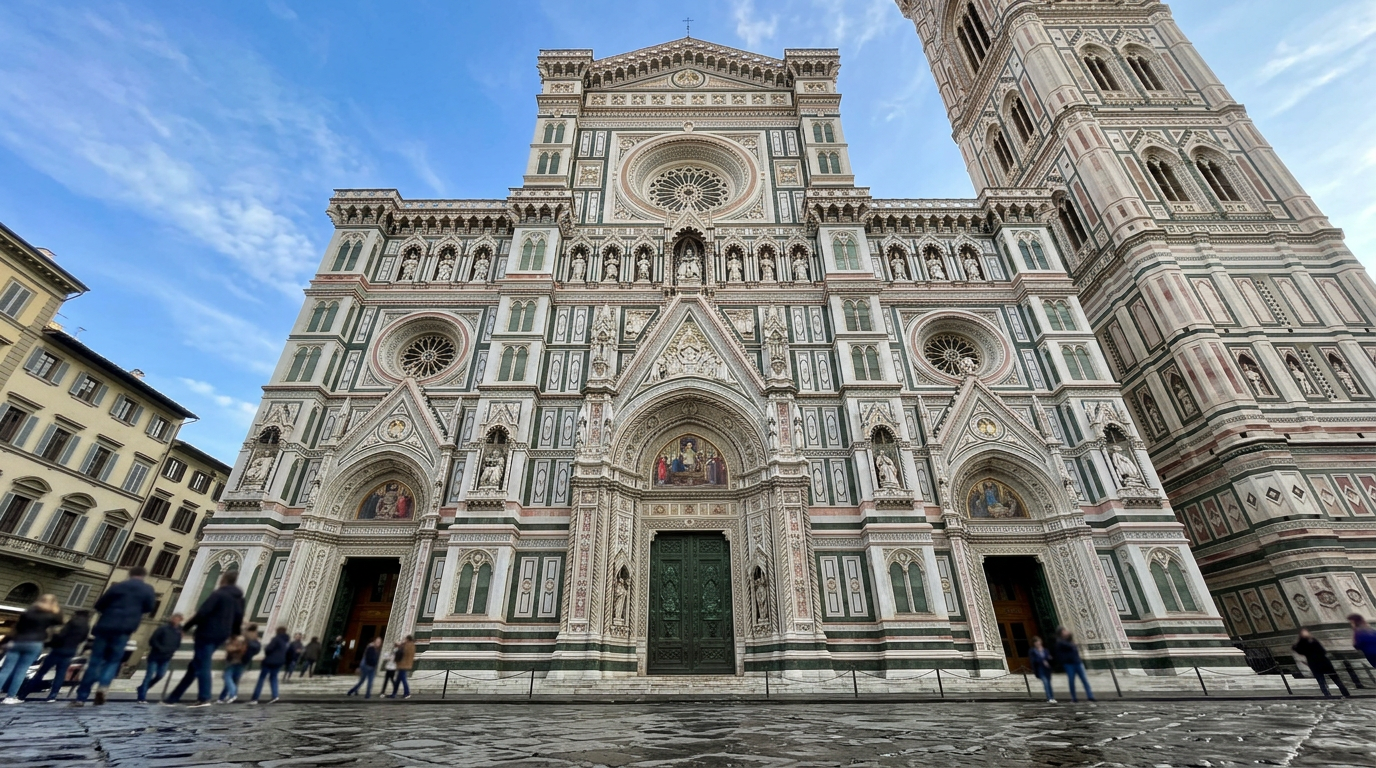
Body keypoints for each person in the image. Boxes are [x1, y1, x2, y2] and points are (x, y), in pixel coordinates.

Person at [73, 567, 157, 706]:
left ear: (130, 574)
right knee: (113, 661)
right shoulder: (147, 589)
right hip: (124, 629)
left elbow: (100, 605)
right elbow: (149, 607)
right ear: (143, 576)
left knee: (95, 660)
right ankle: (103, 687)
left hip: (106, 625)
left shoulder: (118, 586)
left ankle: (81, 697)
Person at [164, 571, 244, 707]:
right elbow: (238, 618)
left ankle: (204, 697)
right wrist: (234, 635)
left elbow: (202, 613)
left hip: (207, 632)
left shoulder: (219, 594)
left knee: (203, 665)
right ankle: (173, 698)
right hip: (222, 634)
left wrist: (185, 628)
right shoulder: (238, 599)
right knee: (195, 666)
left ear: (223, 580)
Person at [0, 594, 63, 704]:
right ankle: (10, 697)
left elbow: (17, 628)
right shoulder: (51, 615)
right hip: (34, 643)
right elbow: (60, 621)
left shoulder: (28, 612)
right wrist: (55, 608)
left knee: (6, 669)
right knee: (21, 671)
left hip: (18, 641)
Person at [21, 608, 89, 701]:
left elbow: (62, 635)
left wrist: (52, 641)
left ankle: (24, 693)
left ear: (77, 614)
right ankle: (53, 695)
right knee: (60, 674)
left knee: (42, 671)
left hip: (59, 649)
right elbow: (83, 638)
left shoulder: (72, 622)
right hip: (71, 650)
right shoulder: (86, 626)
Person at [137, 614, 183, 704]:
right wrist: (160, 648)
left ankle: (142, 688)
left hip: (166, 657)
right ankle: (141, 697)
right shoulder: (163, 628)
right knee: (149, 676)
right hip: (155, 655)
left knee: (160, 675)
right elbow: (152, 640)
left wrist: (172, 651)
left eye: (178, 619)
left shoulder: (178, 631)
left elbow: (177, 643)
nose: (176, 621)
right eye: (175, 619)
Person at [1293, 628, 1351, 698]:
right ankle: (1341, 693)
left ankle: (1330, 694)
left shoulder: (1307, 643)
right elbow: (1322, 651)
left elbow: (1302, 651)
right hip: (1320, 662)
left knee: (1325, 679)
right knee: (1328, 679)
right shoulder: (1308, 642)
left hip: (1317, 663)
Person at [218, 624, 259, 704]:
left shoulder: (238, 639)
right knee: (234, 679)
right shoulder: (251, 639)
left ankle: (232, 694)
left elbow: (229, 648)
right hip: (242, 661)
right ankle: (223, 697)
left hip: (233, 661)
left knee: (227, 677)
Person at [1054, 627, 1095, 703]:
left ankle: (1090, 696)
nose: (1066, 632)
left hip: (1077, 662)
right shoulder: (1060, 642)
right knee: (1071, 681)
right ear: (1061, 633)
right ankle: (1074, 698)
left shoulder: (1069, 640)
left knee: (1084, 680)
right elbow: (1068, 647)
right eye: (1064, 631)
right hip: (1069, 664)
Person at [251, 626, 288, 704]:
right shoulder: (285, 641)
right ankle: (275, 696)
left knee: (261, 679)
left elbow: (268, 649)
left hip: (270, 661)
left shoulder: (276, 639)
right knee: (273, 678)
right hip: (279, 662)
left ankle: (255, 698)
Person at [1029, 636, 1056, 704]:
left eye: (1038, 641)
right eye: (1036, 642)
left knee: (1049, 683)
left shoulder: (1045, 650)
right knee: (1046, 683)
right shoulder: (1033, 651)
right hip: (1040, 668)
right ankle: (1049, 698)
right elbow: (1033, 661)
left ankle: (1052, 697)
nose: (1038, 643)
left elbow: (1049, 658)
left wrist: (1049, 659)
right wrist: (1042, 661)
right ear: (1034, 643)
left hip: (1047, 669)